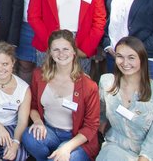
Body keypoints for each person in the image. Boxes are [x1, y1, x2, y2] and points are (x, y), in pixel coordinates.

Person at [22, 31, 100, 161]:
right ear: (50, 53)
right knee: (28, 137)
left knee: (64, 157)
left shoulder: (88, 86)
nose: (61, 54)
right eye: (56, 50)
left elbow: (91, 126)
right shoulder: (39, 76)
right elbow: (34, 105)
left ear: (74, 52)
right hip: (49, 131)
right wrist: (38, 122)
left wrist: (67, 148)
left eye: (65, 49)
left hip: (75, 138)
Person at [97, 37, 153, 161]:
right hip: (115, 146)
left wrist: (143, 158)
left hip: (148, 155)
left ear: (142, 60)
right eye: (120, 56)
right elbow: (101, 114)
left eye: (131, 57)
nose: (125, 63)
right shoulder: (106, 82)